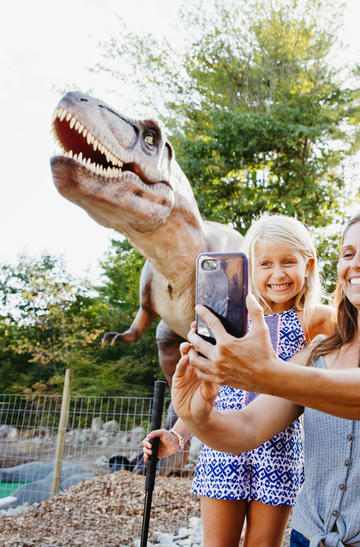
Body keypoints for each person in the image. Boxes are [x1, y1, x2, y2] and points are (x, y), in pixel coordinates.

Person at [173, 209, 360, 547]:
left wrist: (265, 375)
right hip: (309, 538)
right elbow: (246, 430)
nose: (357, 263)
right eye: (348, 254)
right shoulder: (317, 353)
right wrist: (193, 412)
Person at [142, 213, 335, 547]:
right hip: (222, 445)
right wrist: (177, 434)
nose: (277, 274)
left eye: (288, 261)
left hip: (280, 446)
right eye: (264, 264)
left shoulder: (317, 319)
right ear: (248, 268)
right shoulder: (230, 319)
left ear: (308, 265)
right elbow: (202, 384)